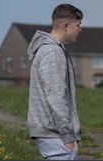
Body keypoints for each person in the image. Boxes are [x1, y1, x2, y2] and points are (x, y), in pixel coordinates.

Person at [27, 4, 83, 160]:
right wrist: (67, 136)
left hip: (51, 133)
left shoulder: (50, 50)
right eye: (78, 25)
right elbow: (56, 96)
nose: (80, 29)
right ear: (66, 26)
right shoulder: (52, 52)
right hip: (55, 134)